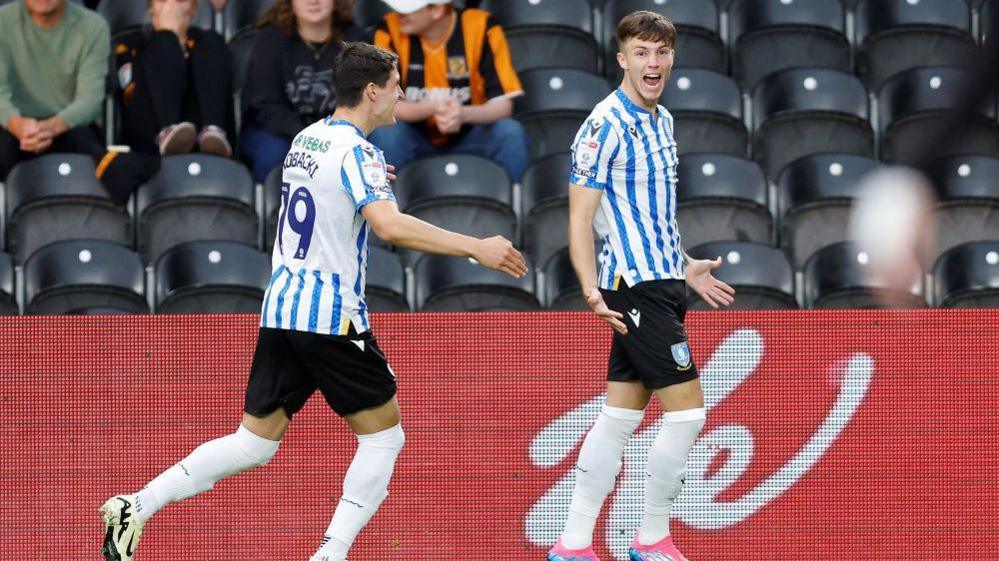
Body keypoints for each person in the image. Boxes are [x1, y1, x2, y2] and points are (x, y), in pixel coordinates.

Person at [100, 41, 528, 561]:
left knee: (252, 444)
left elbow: (327, 193)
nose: (401, 95)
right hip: (331, 318)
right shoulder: (360, 154)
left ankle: (137, 505)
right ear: (371, 91)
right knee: (383, 440)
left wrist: (370, 181)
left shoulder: (309, 138)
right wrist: (475, 247)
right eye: (395, 87)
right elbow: (389, 225)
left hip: (283, 310)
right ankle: (331, 553)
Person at [549, 12, 735, 561]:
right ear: (622, 58)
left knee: (620, 417)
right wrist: (591, 291)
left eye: (661, 53)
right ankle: (652, 537)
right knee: (688, 414)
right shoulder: (604, 124)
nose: (652, 64)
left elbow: (647, 212)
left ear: (671, 58)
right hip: (633, 289)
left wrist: (684, 264)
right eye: (641, 53)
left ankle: (573, 543)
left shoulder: (662, 120)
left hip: (665, 280)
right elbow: (580, 218)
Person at [0, 0, 156, 205]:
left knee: (97, 158)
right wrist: (18, 126)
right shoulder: (3, 21)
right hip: (12, 127)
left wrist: (48, 128)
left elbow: (89, 101)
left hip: (71, 126)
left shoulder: (93, 26)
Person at [368, 0, 529, 182]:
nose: (398, 13)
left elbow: (503, 105)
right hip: (413, 135)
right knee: (387, 134)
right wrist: (434, 108)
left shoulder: (481, 26)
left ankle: (515, 204)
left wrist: (462, 114)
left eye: (408, 10)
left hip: (471, 132)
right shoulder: (388, 29)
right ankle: (384, 206)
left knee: (509, 132)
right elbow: (383, 104)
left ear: (437, 10)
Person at [240, 0, 362, 183]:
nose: (313, 1)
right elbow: (265, 105)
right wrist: (310, 139)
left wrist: (336, 136)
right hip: (278, 131)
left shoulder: (355, 39)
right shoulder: (270, 39)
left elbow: (363, 98)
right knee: (273, 154)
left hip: (340, 132)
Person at [114, 0, 234, 157]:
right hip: (148, 141)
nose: (171, 7)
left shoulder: (208, 43)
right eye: (162, 0)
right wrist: (166, 39)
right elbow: (131, 99)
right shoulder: (131, 44)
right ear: (151, 7)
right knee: (164, 41)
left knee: (212, 40)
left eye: (180, 0)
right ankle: (168, 132)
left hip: (200, 140)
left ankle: (212, 131)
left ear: (193, 7)